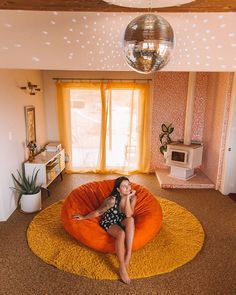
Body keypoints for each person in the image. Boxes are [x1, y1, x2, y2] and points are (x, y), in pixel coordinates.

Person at [72, 176, 137, 284]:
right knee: (121, 233)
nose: (127, 188)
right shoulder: (112, 200)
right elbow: (98, 212)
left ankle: (128, 254)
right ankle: (121, 267)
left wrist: (127, 198)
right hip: (109, 221)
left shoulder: (133, 198)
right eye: (124, 186)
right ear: (118, 189)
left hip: (121, 219)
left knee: (131, 220)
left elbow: (129, 214)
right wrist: (84, 217)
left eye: (129, 185)